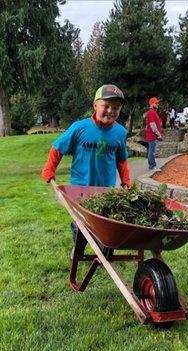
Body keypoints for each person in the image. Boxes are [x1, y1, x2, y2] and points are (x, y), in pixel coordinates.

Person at [41, 84, 131, 256]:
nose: (111, 111)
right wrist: (49, 170)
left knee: (106, 222)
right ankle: (79, 248)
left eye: (116, 108)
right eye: (107, 106)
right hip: (80, 188)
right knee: (80, 223)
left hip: (106, 189)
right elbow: (57, 148)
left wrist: (126, 181)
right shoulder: (79, 128)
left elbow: (122, 160)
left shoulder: (120, 132)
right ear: (95, 105)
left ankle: (105, 253)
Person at [145, 97, 163, 171]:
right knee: (152, 151)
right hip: (152, 135)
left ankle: (152, 166)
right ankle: (152, 166)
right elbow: (153, 125)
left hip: (152, 135)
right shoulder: (151, 112)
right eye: (156, 103)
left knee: (151, 150)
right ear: (152, 104)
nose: (157, 104)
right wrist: (158, 134)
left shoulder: (152, 112)